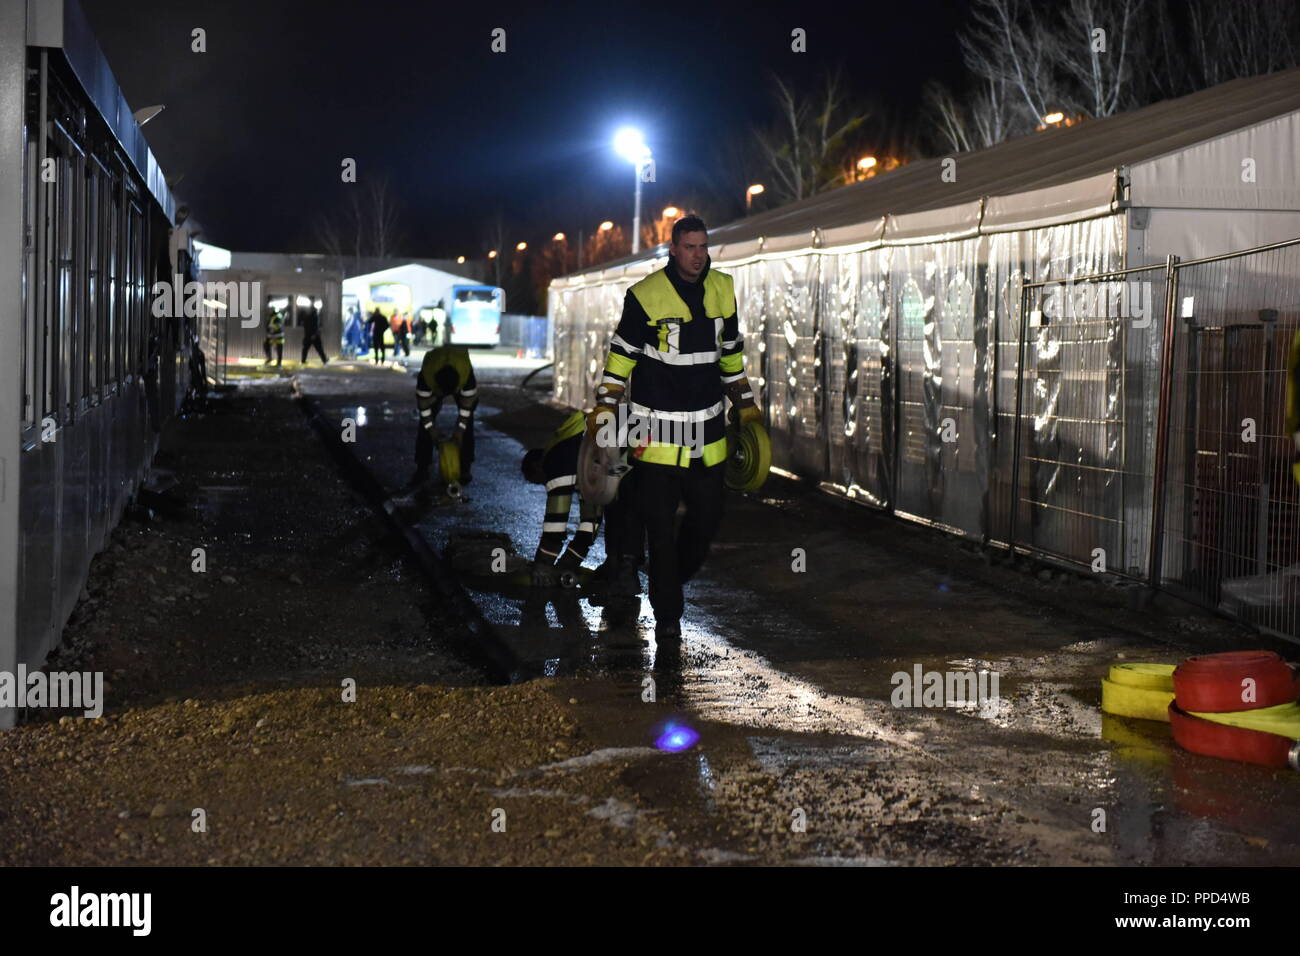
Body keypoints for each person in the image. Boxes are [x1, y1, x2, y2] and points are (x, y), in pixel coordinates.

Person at [586, 215, 761, 640]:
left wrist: (745, 400)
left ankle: (668, 584)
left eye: (703, 247)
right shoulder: (645, 296)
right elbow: (623, 352)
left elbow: (730, 352)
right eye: (689, 247)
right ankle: (667, 617)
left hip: (708, 436)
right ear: (673, 249)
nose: (698, 256)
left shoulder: (723, 288)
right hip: (658, 439)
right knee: (660, 531)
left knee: (706, 522)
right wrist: (607, 402)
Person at [521, 411, 641, 592]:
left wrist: (543, 563)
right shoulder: (577, 461)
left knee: (624, 508)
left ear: (537, 466)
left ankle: (622, 572)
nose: (545, 485)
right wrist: (569, 562)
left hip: (624, 443)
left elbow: (556, 522)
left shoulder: (556, 460)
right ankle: (621, 572)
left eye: (538, 480)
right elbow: (591, 522)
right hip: (627, 446)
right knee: (621, 506)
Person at [413, 345, 478, 486]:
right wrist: (432, 431)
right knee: (425, 423)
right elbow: (424, 411)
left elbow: (466, 409)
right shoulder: (426, 378)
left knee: (468, 420)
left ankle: (465, 467)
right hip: (436, 366)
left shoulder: (467, 379)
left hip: (459, 362)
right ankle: (422, 467)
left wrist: (460, 430)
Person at [263, 302, 285, 367]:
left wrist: (271, 327)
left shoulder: (278, 316)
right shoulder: (272, 316)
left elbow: (278, 326)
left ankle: (279, 363)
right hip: (272, 335)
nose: (270, 310)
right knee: (266, 345)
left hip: (278, 335)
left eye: (271, 309)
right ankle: (269, 358)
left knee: (279, 349)